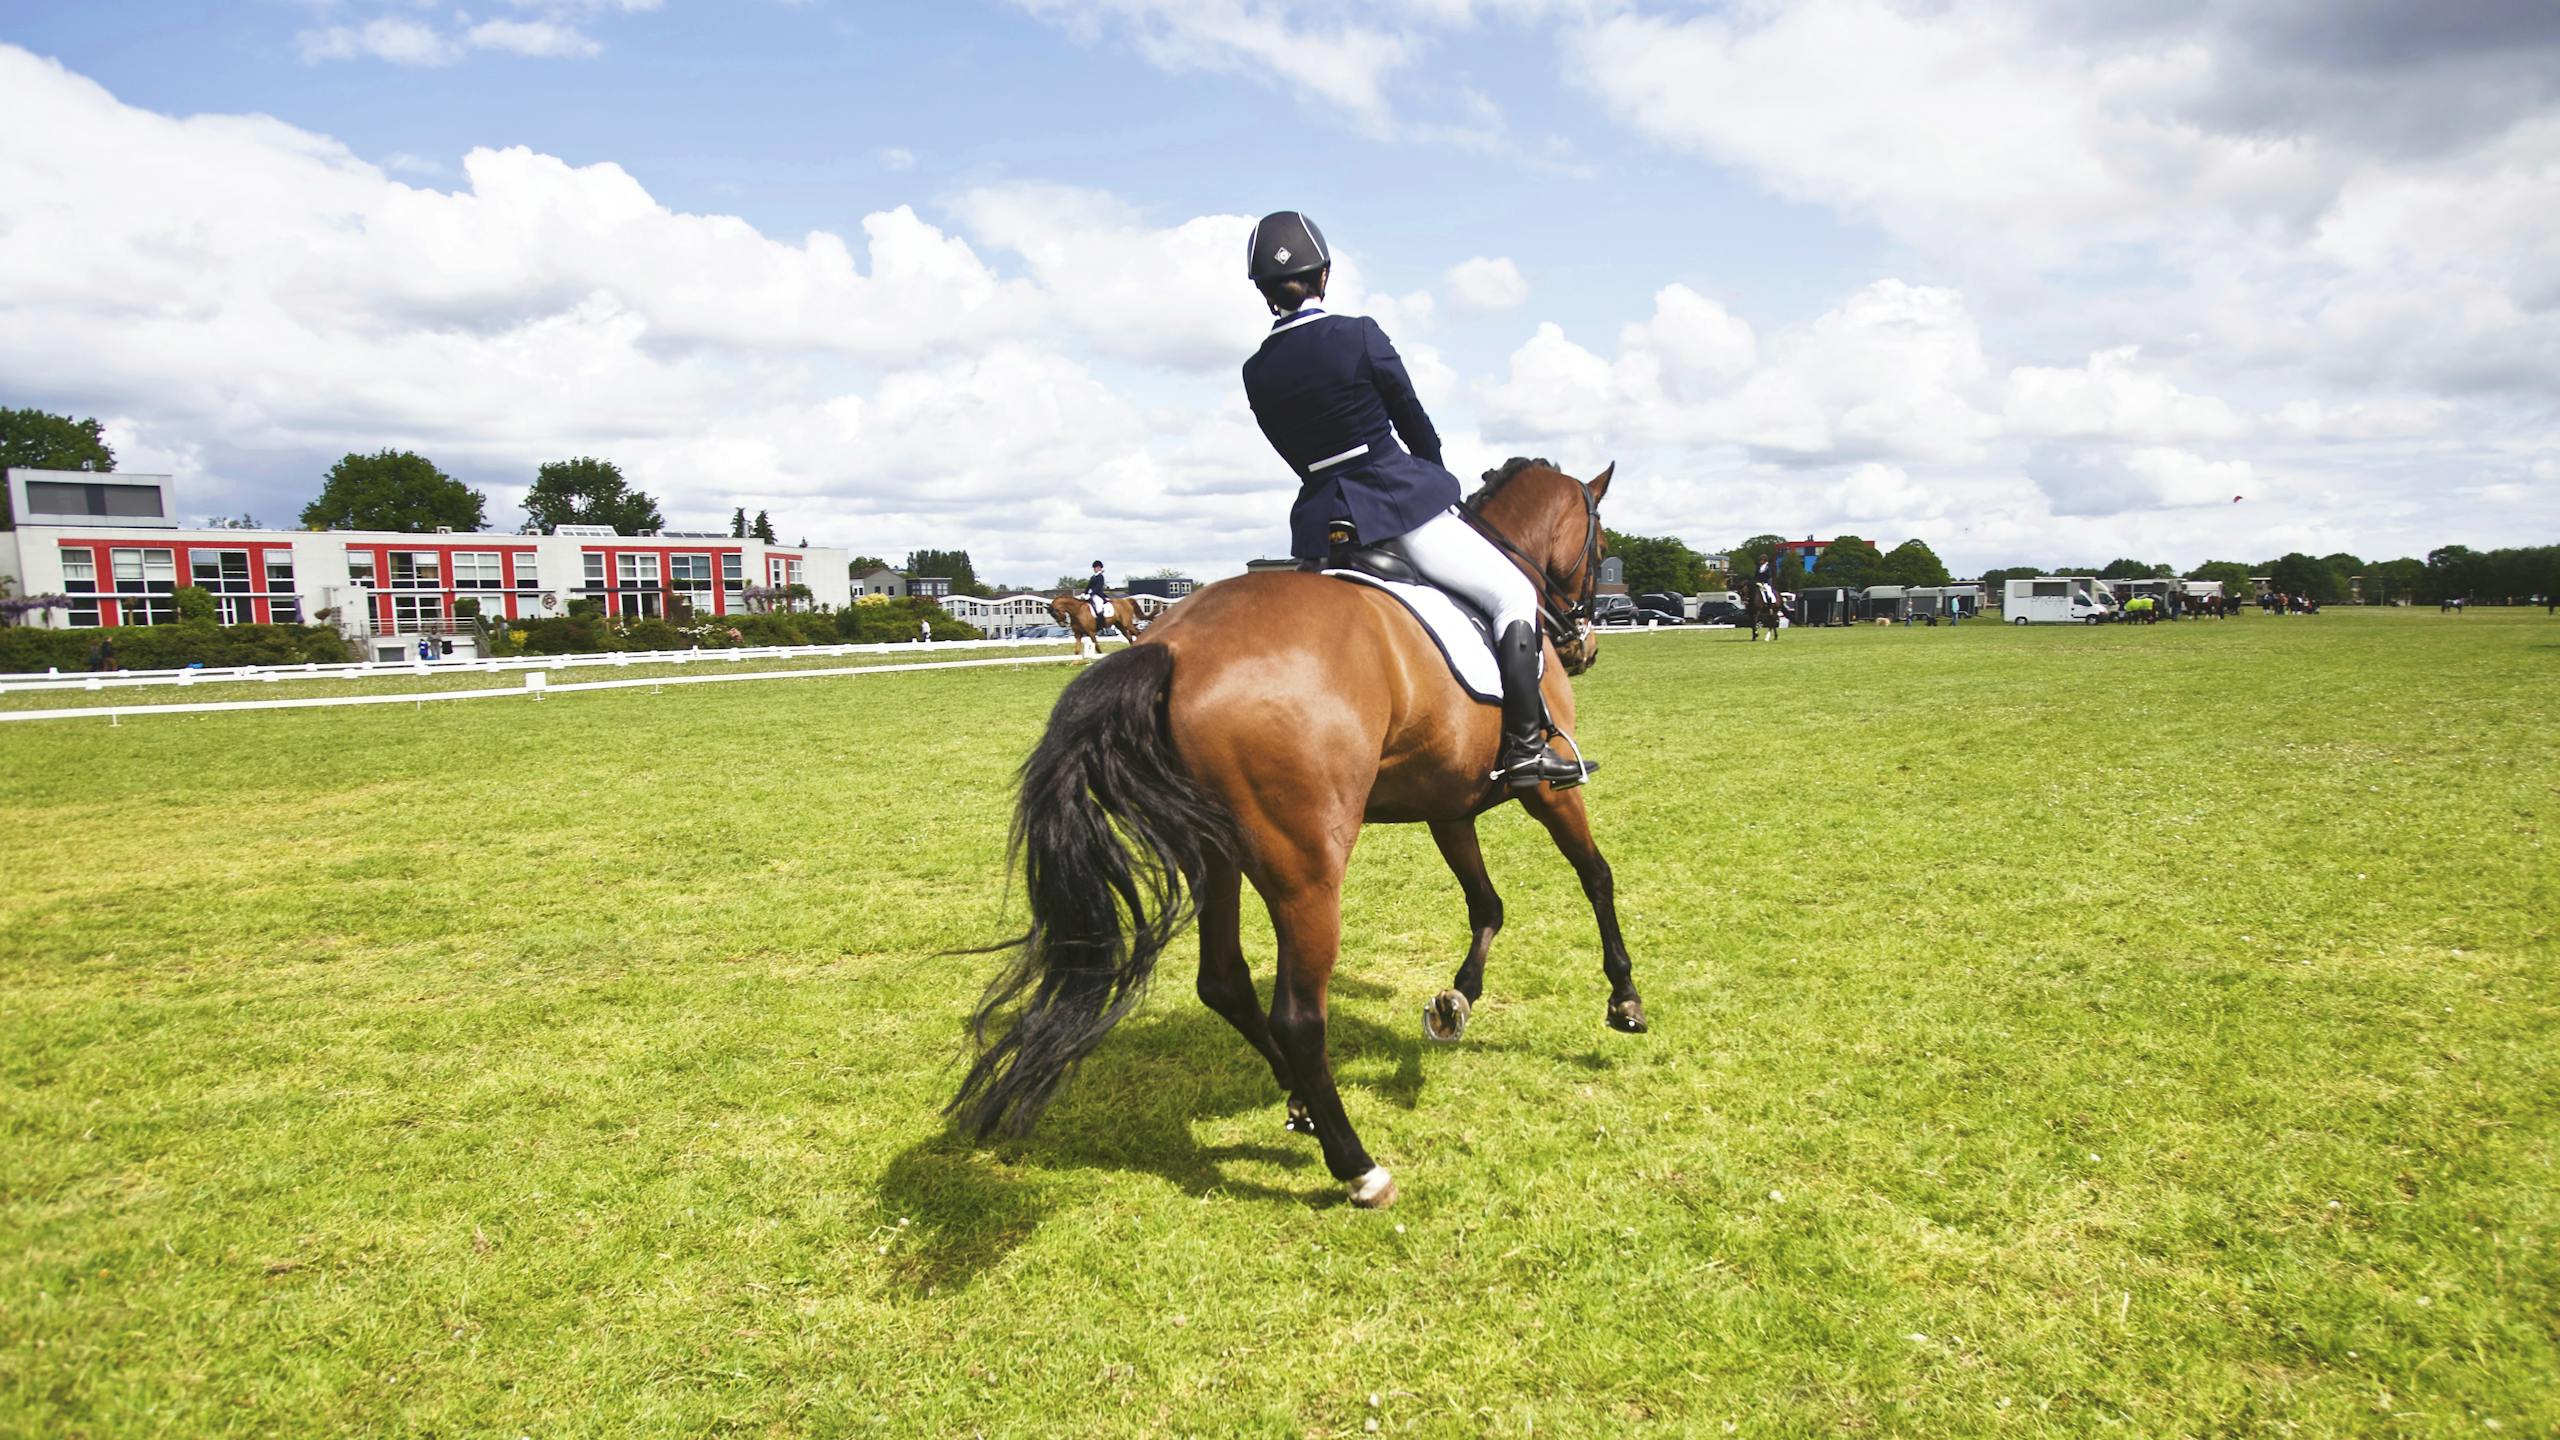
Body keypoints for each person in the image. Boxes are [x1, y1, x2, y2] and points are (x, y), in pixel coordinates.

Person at [1241, 210, 1588, 789]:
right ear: (1323, 275)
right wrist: (1434, 483)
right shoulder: (1359, 334)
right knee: (1511, 592)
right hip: (1396, 502)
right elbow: (1415, 425)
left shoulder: (1257, 370)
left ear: (1263, 292)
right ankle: (1527, 748)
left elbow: (1293, 453)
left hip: (1324, 526)